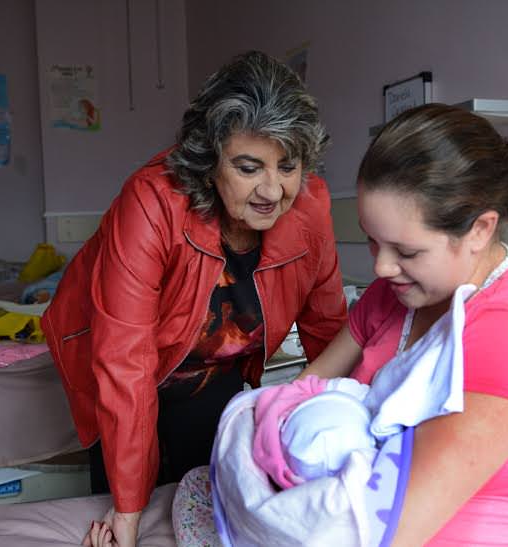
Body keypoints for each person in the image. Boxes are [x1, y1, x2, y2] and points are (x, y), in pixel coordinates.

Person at [173, 103, 508, 546]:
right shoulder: (394, 296)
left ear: (479, 229)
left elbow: (392, 529)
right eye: (372, 240)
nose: (381, 267)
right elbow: (297, 395)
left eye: (406, 251)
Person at [42, 50, 347, 547]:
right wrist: (126, 513)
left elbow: (332, 334)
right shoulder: (152, 201)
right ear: (209, 162)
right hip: (125, 369)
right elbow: (125, 363)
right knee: (134, 502)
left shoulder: (311, 208)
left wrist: (352, 452)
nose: (273, 189)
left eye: (288, 166)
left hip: (215, 375)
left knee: (206, 504)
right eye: (249, 168)